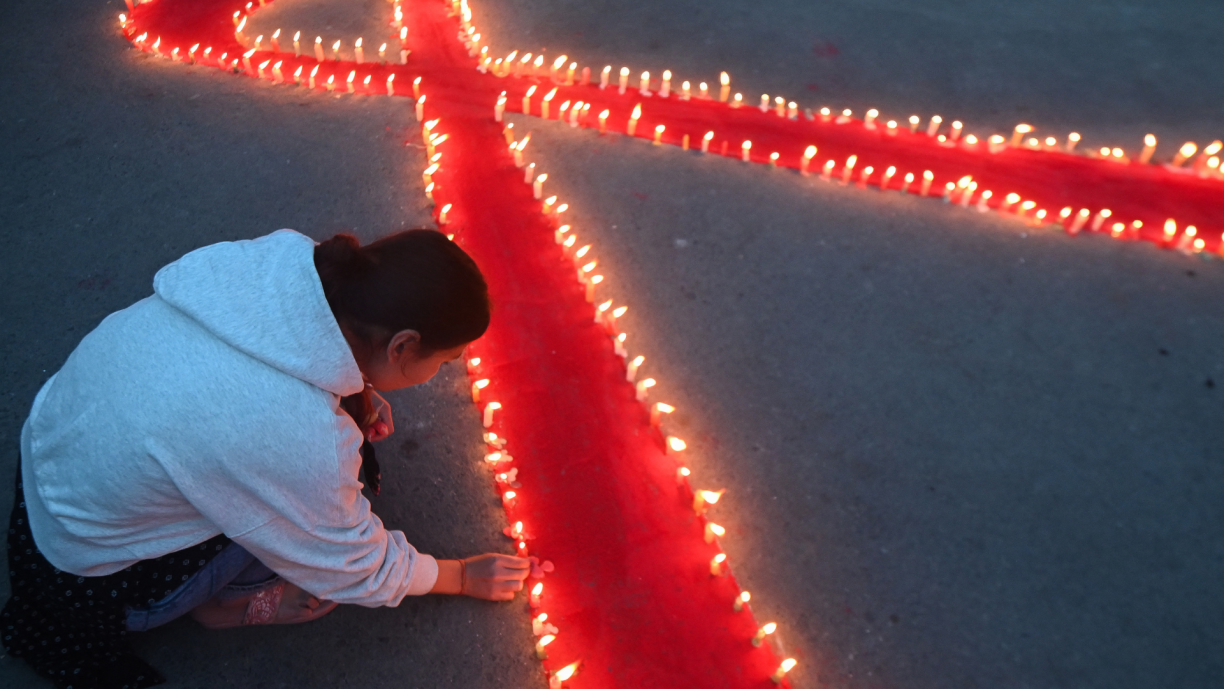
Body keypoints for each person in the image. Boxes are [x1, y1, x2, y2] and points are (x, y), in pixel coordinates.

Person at [1, 229, 531, 689]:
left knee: (296, 476)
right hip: (96, 572)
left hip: (50, 478)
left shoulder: (281, 267)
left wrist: (353, 393)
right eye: (445, 360)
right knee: (313, 513)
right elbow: (354, 566)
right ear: (402, 345)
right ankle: (224, 605)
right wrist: (457, 576)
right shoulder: (292, 434)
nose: (443, 372)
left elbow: (270, 369)